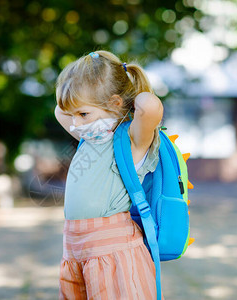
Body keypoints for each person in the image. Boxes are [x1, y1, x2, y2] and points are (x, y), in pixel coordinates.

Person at [54, 50, 164, 299]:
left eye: (83, 114)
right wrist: (82, 79)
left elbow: (150, 106)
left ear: (115, 103)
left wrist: (126, 84)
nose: (76, 124)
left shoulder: (131, 141)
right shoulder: (89, 136)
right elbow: (59, 111)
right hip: (76, 252)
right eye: (75, 116)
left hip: (112, 253)